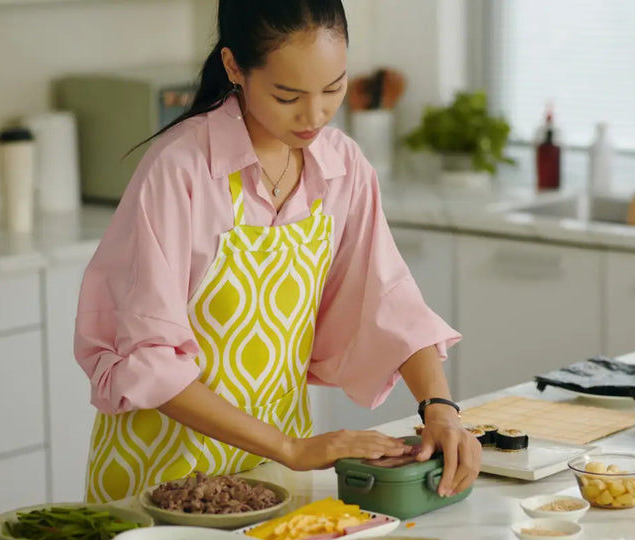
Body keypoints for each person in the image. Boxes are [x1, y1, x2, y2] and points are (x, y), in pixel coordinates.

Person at [74, 0, 480, 504]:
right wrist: (290, 446)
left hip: (277, 478)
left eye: (334, 89)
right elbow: (147, 357)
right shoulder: (179, 170)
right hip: (161, 474)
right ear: (234, 68)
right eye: (288, 95)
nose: (315, 115)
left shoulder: (342, 167)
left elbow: (389, 301)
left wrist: (439, 409)